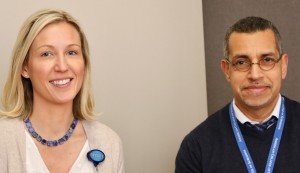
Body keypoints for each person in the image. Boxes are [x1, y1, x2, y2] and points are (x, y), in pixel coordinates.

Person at [0, 9, 124, 173]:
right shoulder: (3, 140)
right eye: (47, 54)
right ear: (25, 68)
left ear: (84, 63)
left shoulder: (109, 143)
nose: (62, 66)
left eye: (71, 52)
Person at [175, 16, 300, 173]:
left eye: (267, 59)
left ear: (283, 66)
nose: (255, 75)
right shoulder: (196, 147)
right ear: (227, 70)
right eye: (241, 62)